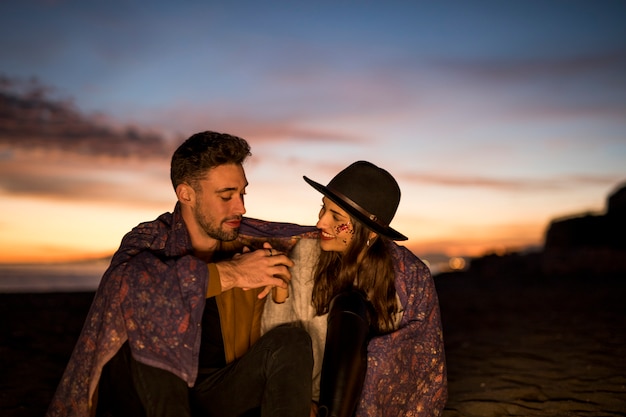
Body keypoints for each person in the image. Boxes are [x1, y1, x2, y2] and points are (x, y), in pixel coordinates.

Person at [45, 131, 319, 417]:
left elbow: (320, 239)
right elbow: (125, 283)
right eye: (226, 196)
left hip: (214, 391)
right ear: (186, 194)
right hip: (146, 395)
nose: (241, 207)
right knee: (150, 308)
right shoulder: (150, 238)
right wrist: (232, 274)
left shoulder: (250, 243)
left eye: (241, 193)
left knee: (292, 341)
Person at [261, 161, 448, 417]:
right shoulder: (307, 254)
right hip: (309, 397)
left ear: (369, 232)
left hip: (372, 402)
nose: (320, 223)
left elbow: (416, 362)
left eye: (336, 217)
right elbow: (282, 343)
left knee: (352, 307)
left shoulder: (406, 278)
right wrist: (280, 293)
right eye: (322, 209)